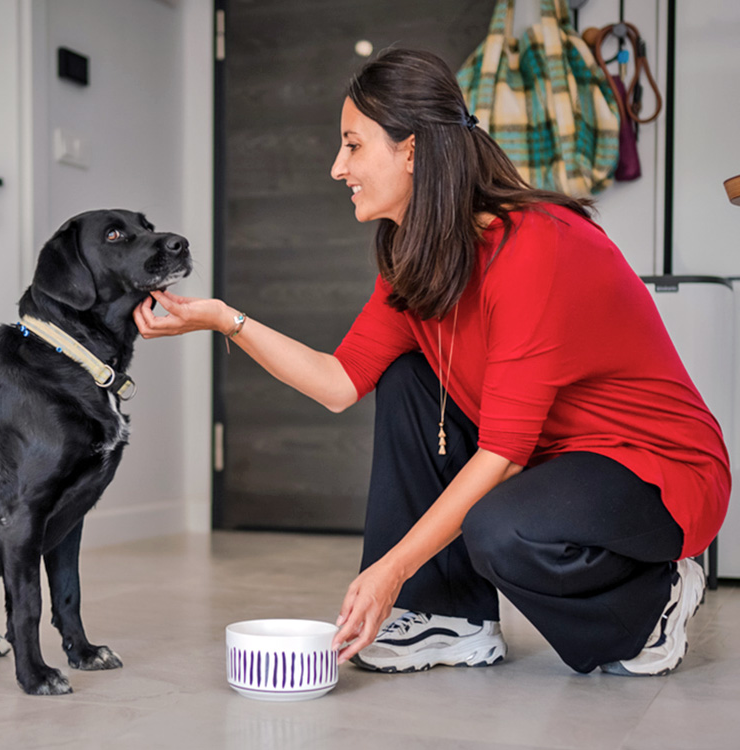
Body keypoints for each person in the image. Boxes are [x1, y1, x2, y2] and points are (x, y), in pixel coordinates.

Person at [133, 48, 730, 676]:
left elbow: (501, 459)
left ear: (411, 151)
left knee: (500, 528)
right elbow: (340, 383)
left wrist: (390, 570)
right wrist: (224, 318)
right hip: (557, 463)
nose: (338, 167)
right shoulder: (417, 257)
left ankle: (654, 602)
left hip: (655, 468)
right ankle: (449, 617)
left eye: (353, 146)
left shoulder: (537, 246)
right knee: (409, 376)